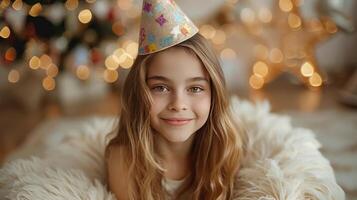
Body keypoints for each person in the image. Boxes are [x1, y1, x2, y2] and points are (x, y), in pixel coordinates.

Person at [105, 0, 245, 199]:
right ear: (139, 92)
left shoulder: (225, 149)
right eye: (160, 88)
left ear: (215, 94)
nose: (178, 104)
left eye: (195, 88)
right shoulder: (124, 159)